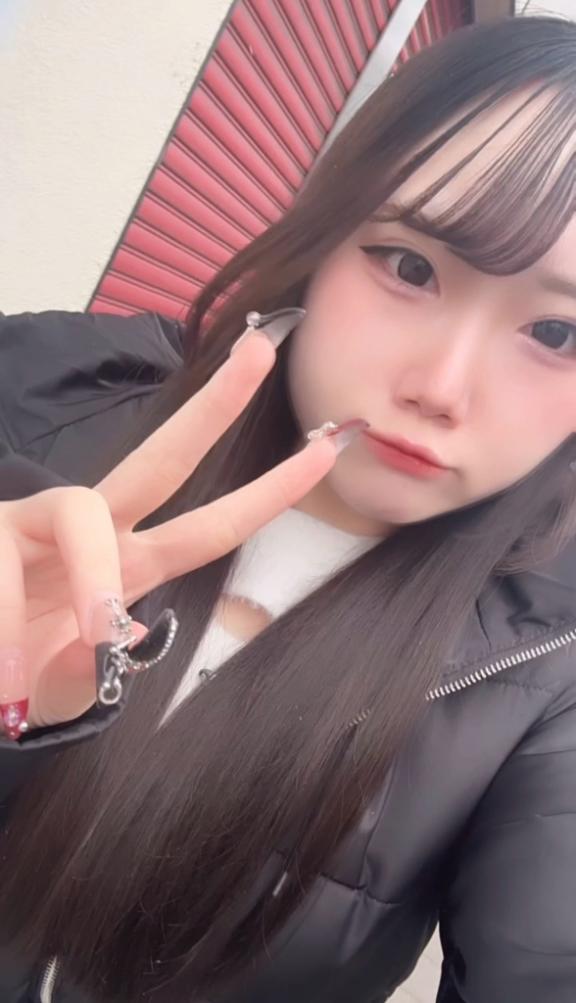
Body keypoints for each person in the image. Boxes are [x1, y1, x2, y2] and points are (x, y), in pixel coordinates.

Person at [1, 13, 576, 1003]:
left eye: (557, 333)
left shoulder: (548, 668)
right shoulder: (43, 390)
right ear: (324, 234)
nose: (441, 387)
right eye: (410, 267)